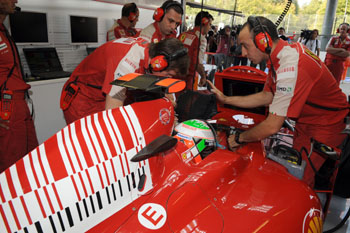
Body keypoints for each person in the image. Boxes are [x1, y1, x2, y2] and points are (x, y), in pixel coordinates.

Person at [208, 16, 349, 188]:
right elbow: (267, 96)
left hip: (325, 127)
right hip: (307, 125)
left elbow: (272, 126)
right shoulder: (280, 57)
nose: (243, 53)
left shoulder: (290, 66)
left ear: (263, 41)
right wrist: (226, 99)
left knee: (300, 183)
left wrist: (239, 138)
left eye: (245, 46)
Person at [60, 37, 189, 124]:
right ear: (158, 63)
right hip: (83, 99)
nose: (167, 79)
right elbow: (112, 113)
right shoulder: (127, 64)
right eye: (168, 74)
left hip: (103, 96)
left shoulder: (150, 52)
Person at [0, 0, 38, 172]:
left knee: (30, 160)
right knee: (11, 167)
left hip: (18, 103)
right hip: (6, 106)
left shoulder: (3, 30)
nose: (15, 1)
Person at [178, 11, 213, 90]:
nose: (210, 27)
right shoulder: (201, 39)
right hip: (188, 78)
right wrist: (203, 76)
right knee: (188, 101)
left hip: (176, 76)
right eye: (210, 24)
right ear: (204, 22)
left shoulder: (183, 34)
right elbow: (198, 63)